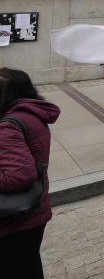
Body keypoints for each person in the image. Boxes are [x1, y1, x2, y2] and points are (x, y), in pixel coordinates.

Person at [0, 68, 60, 278]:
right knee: (28, 265)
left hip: (14, 219)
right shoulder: (30, 113)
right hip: (31, 211)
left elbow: (19, 175)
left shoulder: (8, 126)